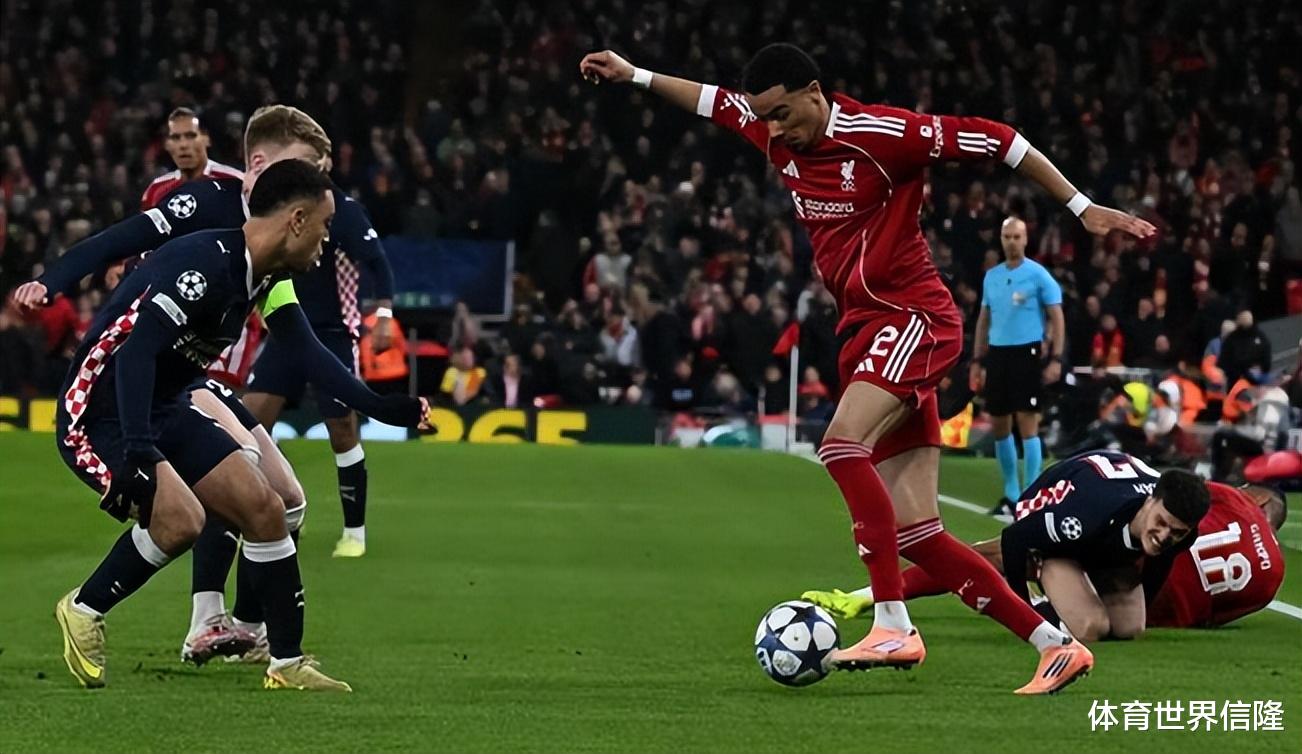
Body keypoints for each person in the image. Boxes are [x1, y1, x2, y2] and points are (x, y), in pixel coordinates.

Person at [581, 42, 1154, 693]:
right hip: (864, 328)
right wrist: (634, 74)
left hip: (913, 317)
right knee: (920, 534)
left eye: (782, 115)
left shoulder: (884, 135)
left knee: (839, 445)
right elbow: (711, 101)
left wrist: (1081, 208)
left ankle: (892, 623)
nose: (773, 131)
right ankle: (1054, 646)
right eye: (764, 119)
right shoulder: (774, 132)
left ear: (814, 94)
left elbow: (1001, 140)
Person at [14, 105, 404, 664]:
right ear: (262, 165)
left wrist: (379, 404)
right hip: (136, 371)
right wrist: (52, 282)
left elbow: (299, 339)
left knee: (283, 500)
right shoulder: (206, 205)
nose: (316, 187)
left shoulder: (275, 253)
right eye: (305, 170)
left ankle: (242, 629)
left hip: (188, 375)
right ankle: (202, 618)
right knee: (223, 489)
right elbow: (119, 241)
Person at [804, 451, 1212, 642]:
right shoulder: (1085, 514)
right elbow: (1017, 539)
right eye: (1162, 524)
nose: (1165, 536)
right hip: (1051, 502)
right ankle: (873, 594)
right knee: (1090, 626)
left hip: (1100, 534)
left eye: (1176, 533)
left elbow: (1158, 565)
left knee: (1128, 629)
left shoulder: (1178, 528)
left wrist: (1145, 601)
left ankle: (1060, 595)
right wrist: (1025, 610)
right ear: (1150, 501)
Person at [236, 106, 399, 560]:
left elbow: (377, 263)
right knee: (249, 424)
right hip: (286, 331)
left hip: (332, 333)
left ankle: (355, 532)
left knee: (341, 429)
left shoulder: (342, 210)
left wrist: (384, 316)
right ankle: (281, 511)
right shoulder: (279, 209)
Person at [969, 217, 1064, 516]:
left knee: (1027, 422)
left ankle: (1030, 494)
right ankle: (1011, 493)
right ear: (1001, 239)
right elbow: (984, 319)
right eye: (1007, 236)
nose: (1011, 242)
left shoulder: (1038, 275)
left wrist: (1056, 357)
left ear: (1025, 239)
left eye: (1016, 236)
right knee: (999, 423)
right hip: (998, 353)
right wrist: (977, 360)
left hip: (1027, 352)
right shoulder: (992, 277)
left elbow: (1056, 315)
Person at [140, 107, 244, 210]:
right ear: (167, 145)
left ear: (207, 139)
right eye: (175, 138)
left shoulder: (235, 181)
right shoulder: (156, 190)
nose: (183, 145)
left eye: (191, 136)